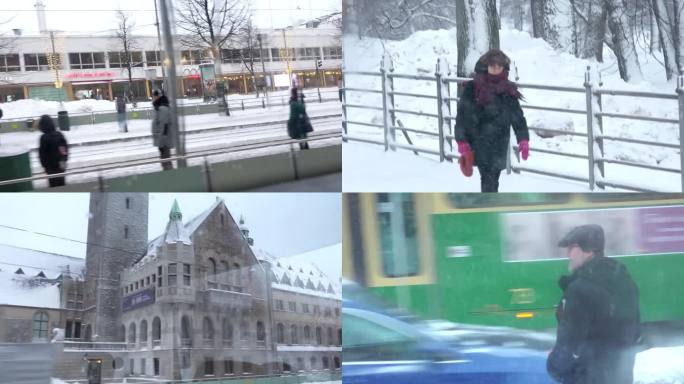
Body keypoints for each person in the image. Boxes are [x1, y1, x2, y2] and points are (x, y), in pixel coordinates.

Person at [548, 224, 641, 384]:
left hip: (588, 376)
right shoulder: (623, 279)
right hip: (619, 374)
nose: (568, 254)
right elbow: (635, 328)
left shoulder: (579, 290)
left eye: (572, 248)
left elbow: (570, 340)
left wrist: (554, 365)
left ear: (588, 250)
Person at [454, 49, 530, 192]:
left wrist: (523, 139)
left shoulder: (508, 91)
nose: (496, 68)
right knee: (489, 181)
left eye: (499, 66)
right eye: (493, 65)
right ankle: (489, 208)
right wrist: (462, 141)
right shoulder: (473, 88)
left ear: (504, 68)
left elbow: (517, 117)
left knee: (493, 179)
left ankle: (489, 207)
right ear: (486, 66)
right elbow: (462, 116)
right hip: (479, 142)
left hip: (499, 144)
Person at [38, 114, 69, 187]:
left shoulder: (44, 138)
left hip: (51, 169)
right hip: (60, 167)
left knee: (53, 187)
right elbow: (64, 150)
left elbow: (42, 154)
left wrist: (45, 166)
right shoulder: (59, 134)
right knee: (62, 186)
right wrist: (63, 161)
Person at [151, 89, 174, 170]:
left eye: (153, 96)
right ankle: (170, 177)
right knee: (166, 161)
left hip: (164, 141)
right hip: (163, 140)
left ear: (157, 96)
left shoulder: (162, 108)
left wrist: (161, 143)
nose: (152, 98)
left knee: (166, 162)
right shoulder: (160, 107)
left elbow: (164, 126)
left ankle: (171, 178)